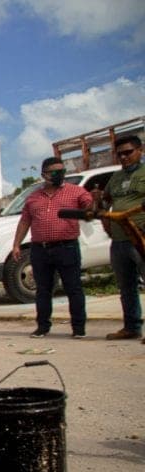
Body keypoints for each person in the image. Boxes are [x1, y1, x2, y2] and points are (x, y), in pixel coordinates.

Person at [10, 157, 94, 338]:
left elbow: (89, 206)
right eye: (54, 172)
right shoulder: (33, 198)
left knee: (74, 288)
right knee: (43, 290)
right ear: (44, 175)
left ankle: (78, 329)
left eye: (61, 171)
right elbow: (25, 221)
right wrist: (16, 244)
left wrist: (95, 202)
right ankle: (43, 327)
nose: (59, 175)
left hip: (67, 247)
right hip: (40, 249)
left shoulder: (76, 192)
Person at [95, 135, 145, 342]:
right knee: (126, 286)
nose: (124, 157)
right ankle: (131, 327)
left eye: (128, 152)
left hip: (140, 235)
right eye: (120, 154)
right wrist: (99, 207)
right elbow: (105, 202)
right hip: (119, 239)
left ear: (140, 150)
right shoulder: (115, 178)